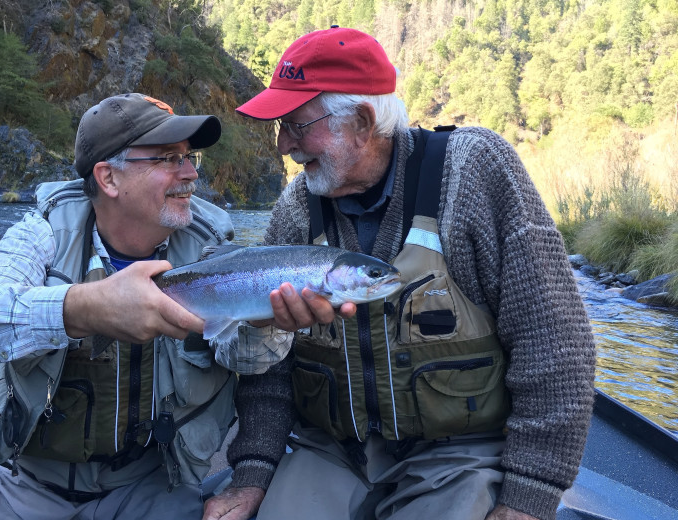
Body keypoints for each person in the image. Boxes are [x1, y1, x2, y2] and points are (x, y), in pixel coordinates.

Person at [203, 27, 596, 520]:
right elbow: (271, 374)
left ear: (363, 122)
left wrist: (529, 496)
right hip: (333, 451)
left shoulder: (476, 171)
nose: (284, 145)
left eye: (297, 126)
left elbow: (554, 342)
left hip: (458, 453)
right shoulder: (295, 209)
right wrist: (253, 473)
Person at [0, 93, 295, 519]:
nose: (191, 173)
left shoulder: (209, 249)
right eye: (168, 158)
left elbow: (244, 358)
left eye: (189, 156)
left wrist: (263, 322)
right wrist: (84, 308)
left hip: (153, 482)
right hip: (30, 487)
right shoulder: (44, 235)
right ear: (108, 178)